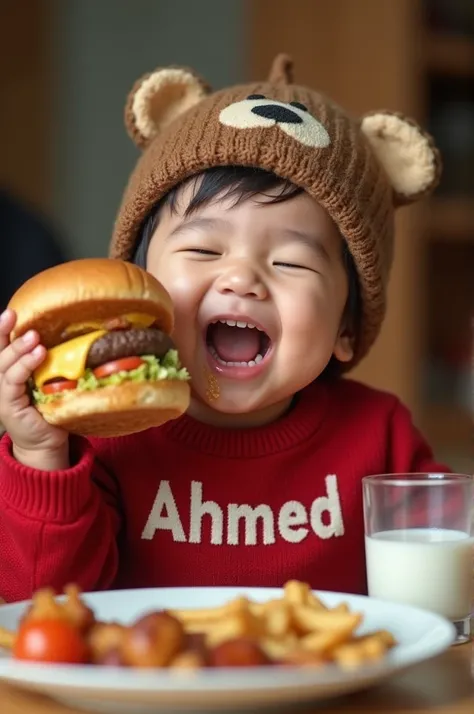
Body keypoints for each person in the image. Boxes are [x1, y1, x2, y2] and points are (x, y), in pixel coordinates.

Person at [0, 55, 448, 603]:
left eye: (291, 263)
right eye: (202, 249)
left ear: (346, 328)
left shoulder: (382, 438)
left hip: (332, 688)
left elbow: (437, 596)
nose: (241, 278)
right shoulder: (97, 443)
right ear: (138, 295)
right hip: (144, 685)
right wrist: (41, 455)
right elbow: (39, 604)